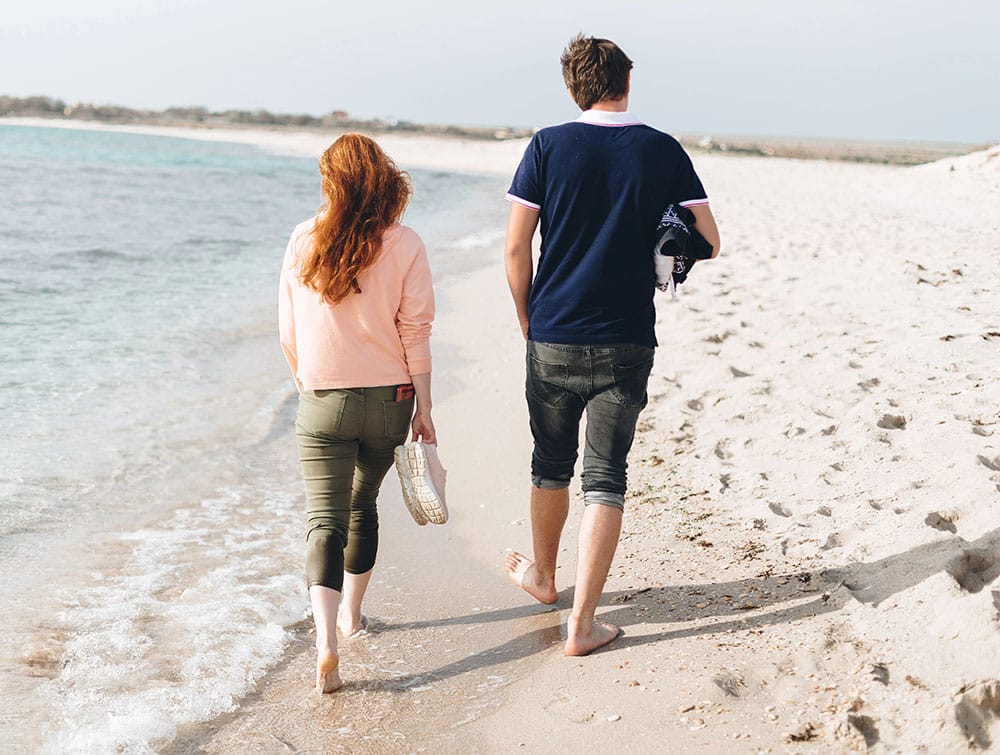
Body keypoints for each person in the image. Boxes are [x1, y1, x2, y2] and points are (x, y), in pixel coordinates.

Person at [503, 34, 721, 656]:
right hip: (627, 335)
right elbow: (707, 236)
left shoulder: (546, 145)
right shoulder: (659, 148)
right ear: (628, 79)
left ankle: (543, 577)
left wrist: (526, 316)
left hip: (553, 331)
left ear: (572, 85)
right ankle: (582, 625)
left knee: (550, 463)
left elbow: (517, 248)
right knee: (606, 477)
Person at [279, 133, 436, 692]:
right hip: (391, 400)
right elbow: (414, 329)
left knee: (324, 522)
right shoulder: (406, 241)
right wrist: (424, 408)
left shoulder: (304, 239)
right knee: (362, 505)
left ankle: (324, 645)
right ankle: (352, 620)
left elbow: (288, 334)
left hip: (324, 402)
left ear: (331, 182)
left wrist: (314, 386)